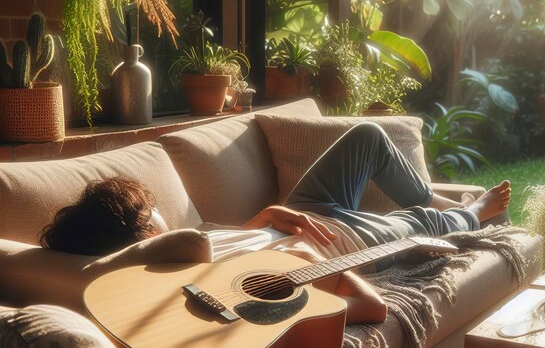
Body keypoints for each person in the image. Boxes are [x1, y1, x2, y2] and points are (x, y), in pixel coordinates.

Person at [40, 123, 510, 324]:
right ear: (142, 232)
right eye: (151, 210)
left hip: (304, 209)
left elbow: (235, 245)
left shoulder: (185, 246)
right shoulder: (183, 281)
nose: (162, 210)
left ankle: (428, 192)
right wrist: (328, 269)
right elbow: (367, 308)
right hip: (342, 240)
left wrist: (260, 218)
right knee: (421, 223)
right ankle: (472, 211)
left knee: (367, 136)